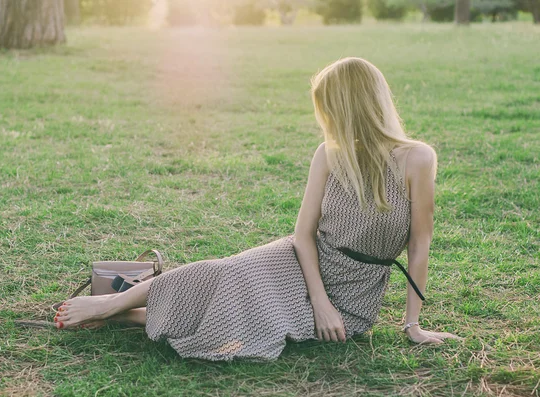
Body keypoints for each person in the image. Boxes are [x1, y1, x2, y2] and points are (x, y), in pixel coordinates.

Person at [54, 57, 460, 361]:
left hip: (356, 291)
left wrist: (413, 325)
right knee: (221, 273)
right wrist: (318, 299)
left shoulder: (417, 159)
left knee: (240, 325)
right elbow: (303, 235)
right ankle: (108, 303)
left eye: (329, 109)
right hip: (301, 258)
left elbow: (419, 245)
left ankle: (120, 314)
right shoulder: (329, 154)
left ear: (351, 106)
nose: (327, 121)